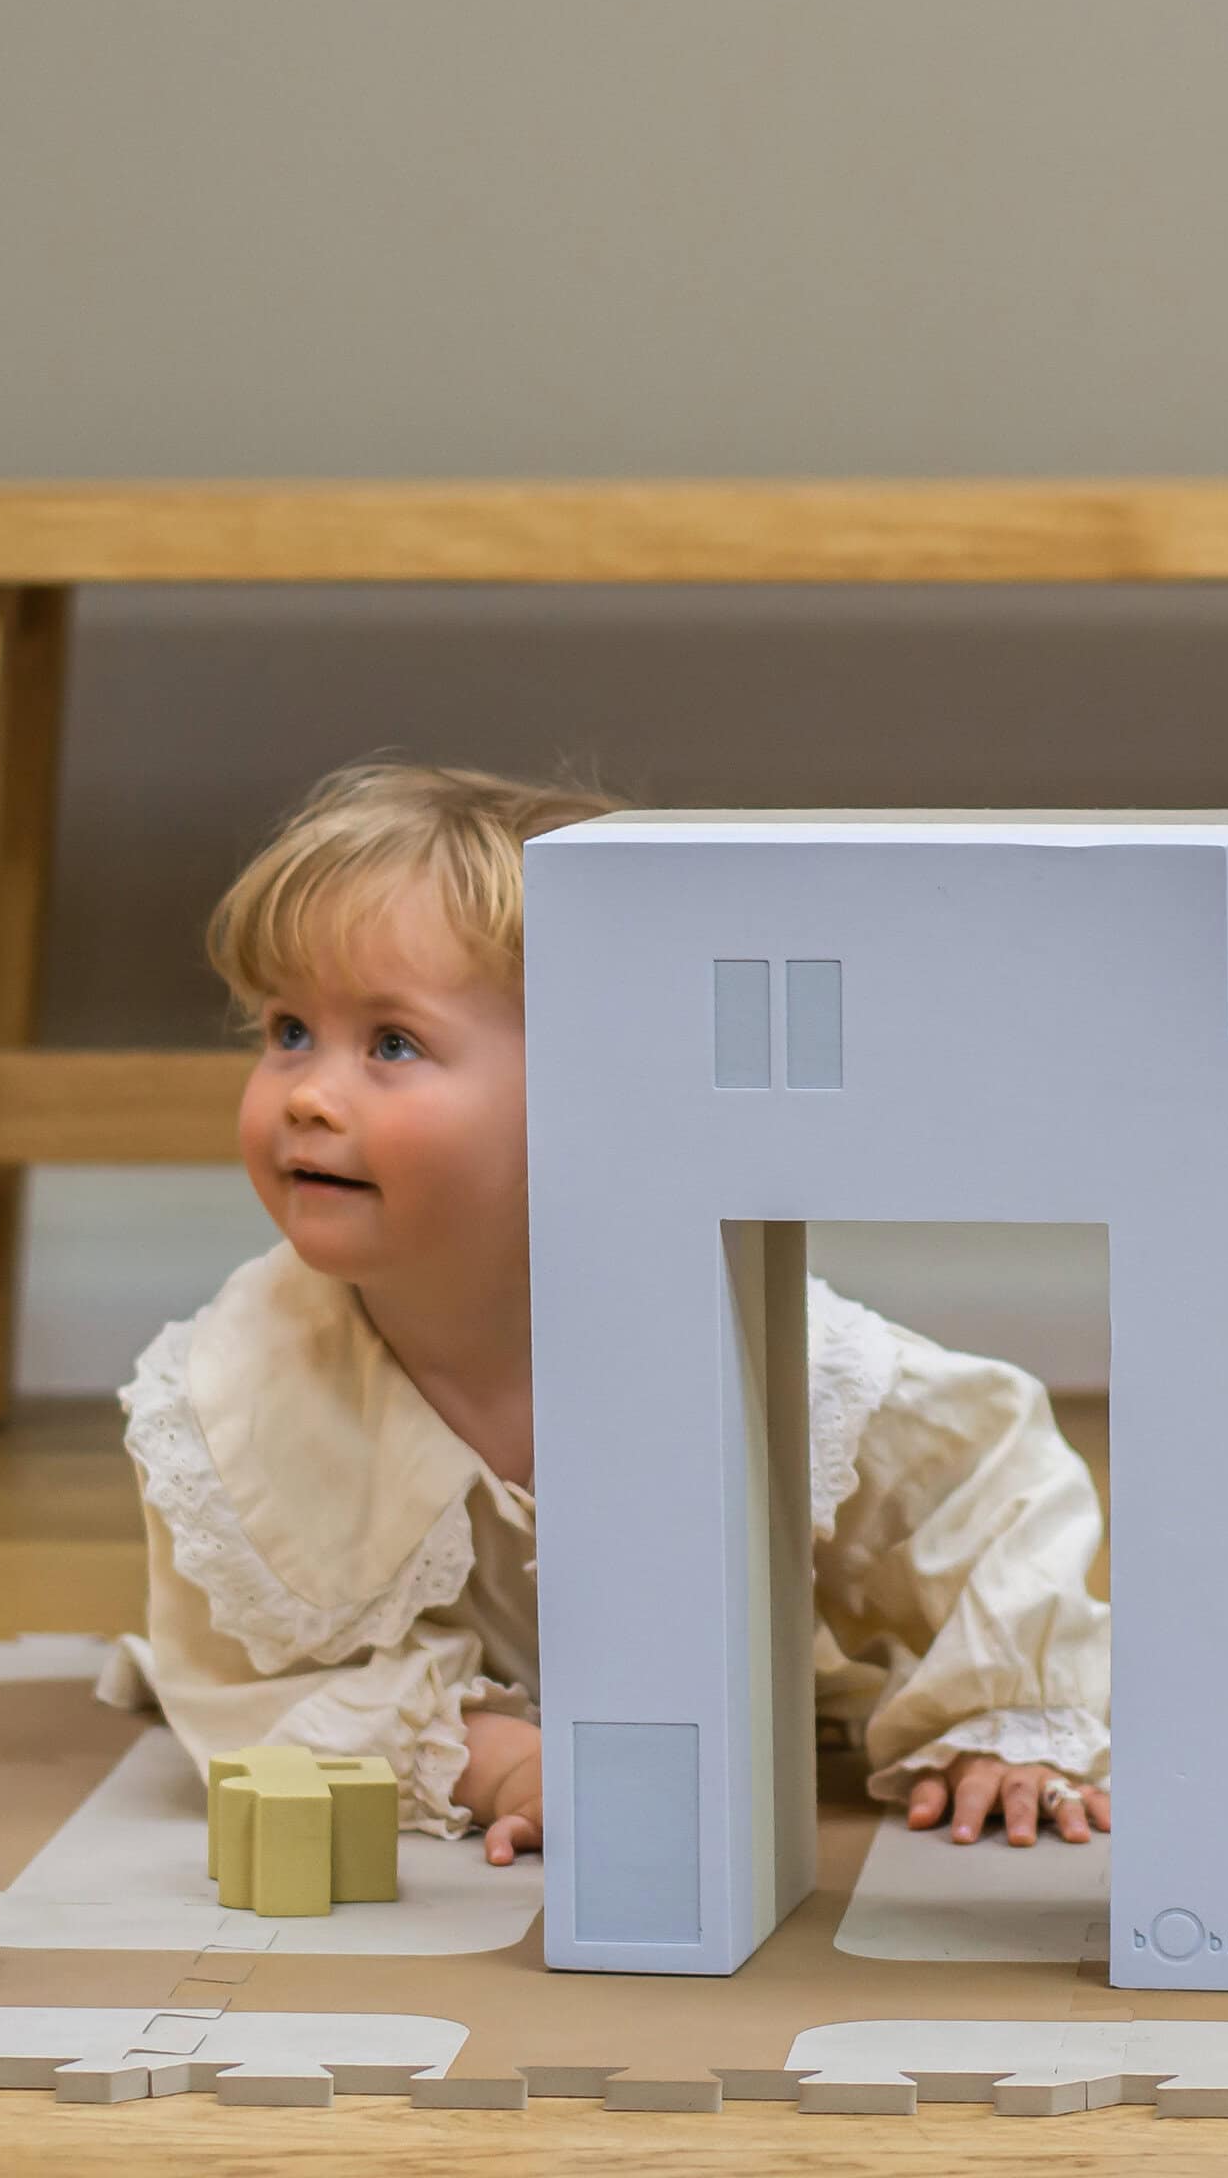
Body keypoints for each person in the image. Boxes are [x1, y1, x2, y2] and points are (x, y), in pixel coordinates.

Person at [100, 757, 1112, 1865]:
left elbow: (974, 1488)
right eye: (289, 1030)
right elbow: (246, 1684)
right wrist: (498, 1761)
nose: (304, 1092)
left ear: (597, 1084)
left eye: (391, 1044)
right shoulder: (244, 1386)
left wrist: (1006, 1719)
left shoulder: (742, 1333)